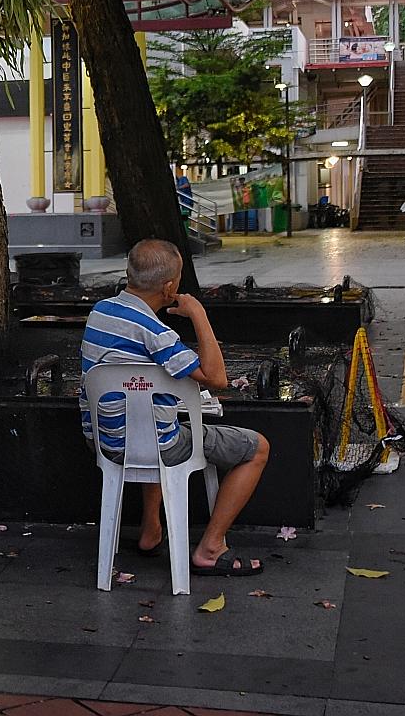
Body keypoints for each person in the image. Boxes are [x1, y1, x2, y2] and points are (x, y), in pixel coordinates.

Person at [80, 238, 271, 576]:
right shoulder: (157, 333)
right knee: (257, 448)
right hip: (161, 446)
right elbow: (217, 378)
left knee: (147, 420)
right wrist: (199, 314)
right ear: (170, 287)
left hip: (106, 443)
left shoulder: (100, 313)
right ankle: (211, 547)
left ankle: (151, 530)